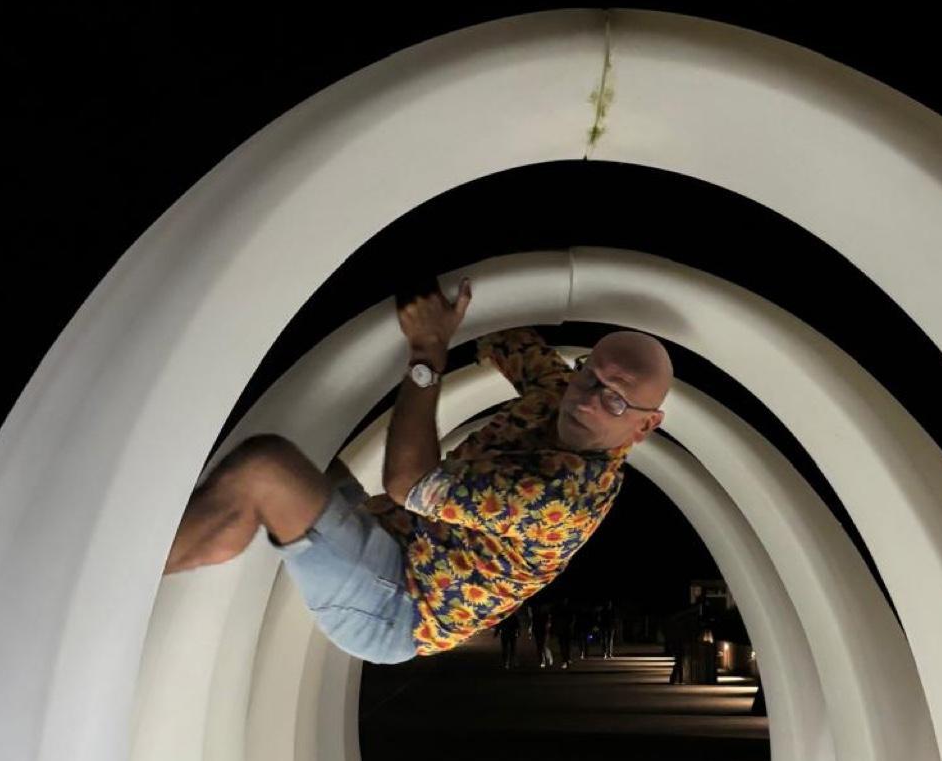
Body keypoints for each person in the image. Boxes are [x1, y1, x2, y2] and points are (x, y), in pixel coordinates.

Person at [164, 278, 673, 665]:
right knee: (298, 432)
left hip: (397, 604)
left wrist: (428, 352)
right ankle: (214, 522)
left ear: (646, 426)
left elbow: (408, 483)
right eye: (589, 375)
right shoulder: (558, 393)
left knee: (265, 469)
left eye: (616, 399)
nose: (587, 400)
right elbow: (497, 325)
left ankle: (150, 565)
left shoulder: (566, 498)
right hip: (386, 532)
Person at [530, 599, 554, 669]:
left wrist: (549, 628)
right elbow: (533, 624)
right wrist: (531, 631)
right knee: (540, 647)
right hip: (538, 632)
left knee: (544, 646)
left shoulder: (545, 614)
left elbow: (548, 623)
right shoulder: (535, 615)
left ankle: (548, 658)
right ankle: (542, 661)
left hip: (544, 631)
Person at [552, 600, 576, 669]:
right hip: (565, 630)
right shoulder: (568, 610)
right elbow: (572, 620)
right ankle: (566, 659)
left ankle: (565, 660)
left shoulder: (559, 610)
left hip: (563, 630)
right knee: (566, 646)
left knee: (563, 646)